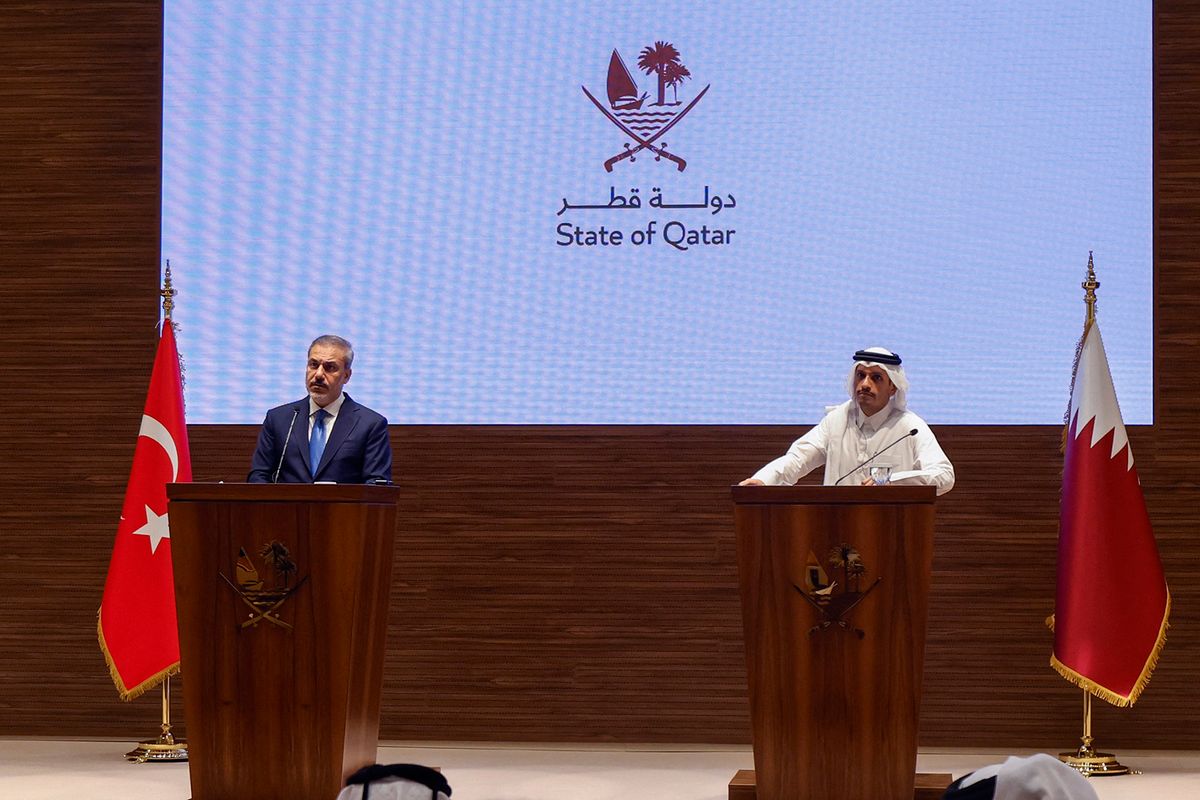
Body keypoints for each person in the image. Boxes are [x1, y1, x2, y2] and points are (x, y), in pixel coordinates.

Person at [739, 347, 954, 494]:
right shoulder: (837, 420)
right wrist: (764, 480)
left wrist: (894, 481)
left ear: (892, 387)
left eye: (876, 377)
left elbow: (944, 476)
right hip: (838, 529)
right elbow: (797, 459)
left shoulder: (910, 427)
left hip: (890, 533)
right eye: (861, 376)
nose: (865, 384)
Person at [248, 334, 393, 484]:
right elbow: (259, 476)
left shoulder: (370, 424)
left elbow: (376, 484)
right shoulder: (279, 418)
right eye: (314, 365)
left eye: (330, 368)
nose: (318, 375)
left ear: (346, 376)